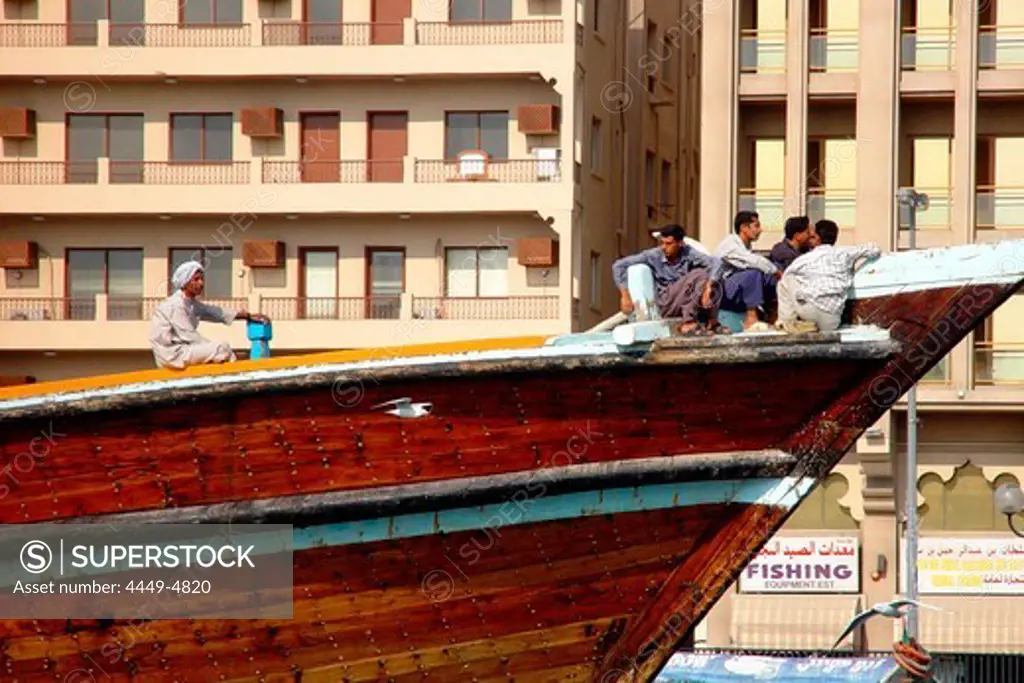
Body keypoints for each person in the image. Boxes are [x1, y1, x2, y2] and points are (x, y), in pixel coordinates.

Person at [149, 260, 268, 370]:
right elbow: (189, 335)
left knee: (220, 349)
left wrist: (246, 315)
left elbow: (213, 312)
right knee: (221, 347)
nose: (201, 283)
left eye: (201, 279)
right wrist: (219, 352)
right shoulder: (176, 305)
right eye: (196, 280)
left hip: (183, 350)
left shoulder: (189, 302)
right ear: (185, 283)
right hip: (172, 354)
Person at [612, 224, 730, 335]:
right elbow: (619, 265)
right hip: (666, 302)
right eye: (662, 243)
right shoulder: (653, 255)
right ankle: (688, 323)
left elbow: (717, 263)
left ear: (680, 243)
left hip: (684, 299)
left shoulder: (688, 253)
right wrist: (625, 296)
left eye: (669, 244)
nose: (664, 247)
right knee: (699, 274)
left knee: (715, 278)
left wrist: (709, 287)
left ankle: (712, 322)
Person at [777, 219, 881, 333]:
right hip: (832, 320)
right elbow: (873, 249)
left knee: (786, 280)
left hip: (809, 312)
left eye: (812, 237)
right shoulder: (845, 253)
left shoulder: (805, 259)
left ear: (817, 238)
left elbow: (786, 276)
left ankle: (788, 322)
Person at [714, 211, 780, 331]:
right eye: (756, 226)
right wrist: (777, 271)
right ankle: (751, 317)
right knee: (754, 273)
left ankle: (773, 315)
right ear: (744, 227)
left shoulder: (745, 246)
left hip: (737, 288)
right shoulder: (729, 244)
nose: (760, 230)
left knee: (769, 277)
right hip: (722, 290)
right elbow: (752, 261)